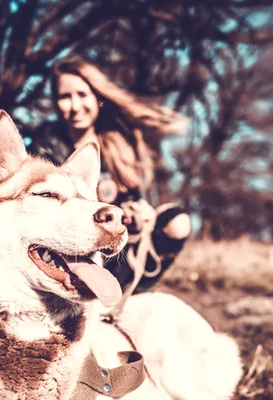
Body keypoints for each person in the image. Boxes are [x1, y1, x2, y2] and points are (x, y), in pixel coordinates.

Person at [28, 58, 191, 293]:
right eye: (65, 97)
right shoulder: (45, 146)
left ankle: (129, 292)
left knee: (178, 222)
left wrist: (138, 214)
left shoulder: (119, 144)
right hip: (70, 246)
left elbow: (131, 199)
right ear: (56, 102)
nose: (74, 105)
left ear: (98, 97)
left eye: (82, 95)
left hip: (114, 247)